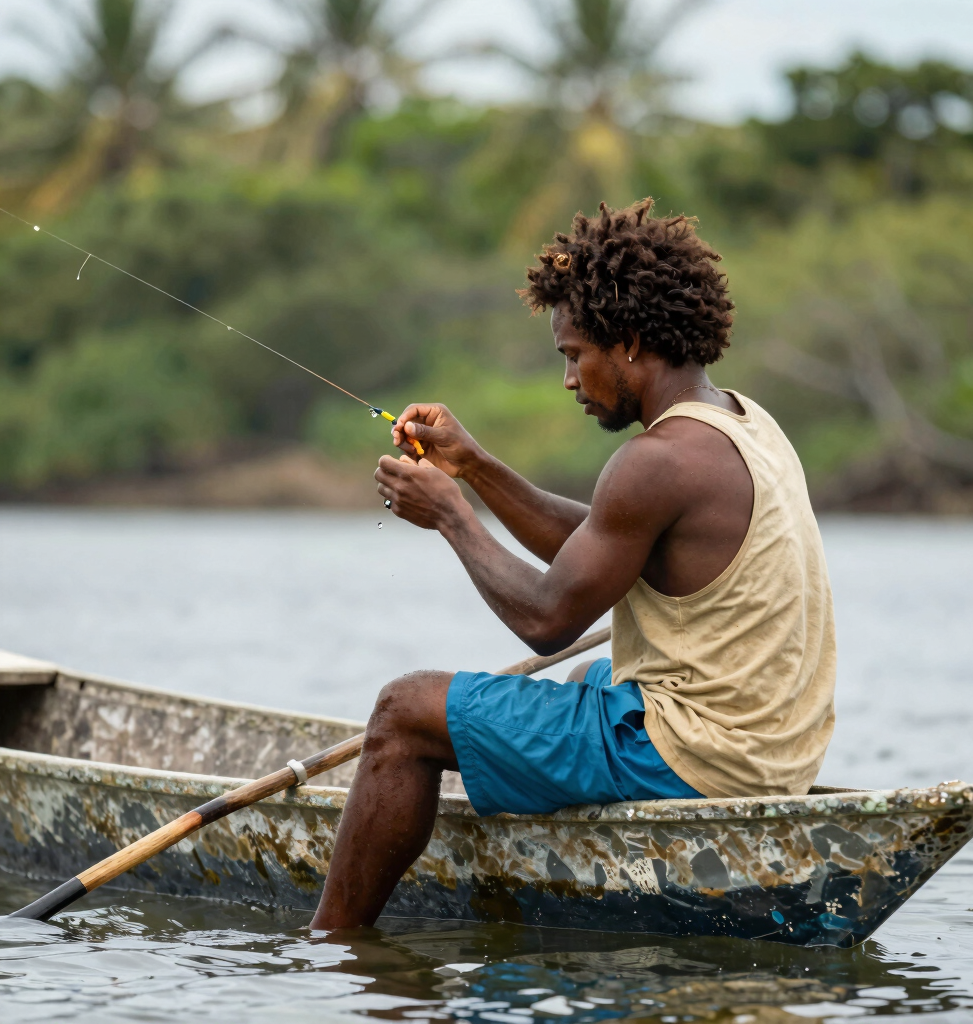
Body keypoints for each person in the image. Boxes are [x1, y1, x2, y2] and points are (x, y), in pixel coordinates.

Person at [309, 199, 836, 931]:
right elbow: (601, 542)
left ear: (626, 342)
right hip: (774, 754)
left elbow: (548, 619)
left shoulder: (652, 462)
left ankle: (334, 942)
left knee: (403, 713)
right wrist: (476, 466)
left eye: (572, 354)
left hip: (696, 759)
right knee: (595, 676)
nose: (568, 380)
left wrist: (451, 518)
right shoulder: (743, 422)